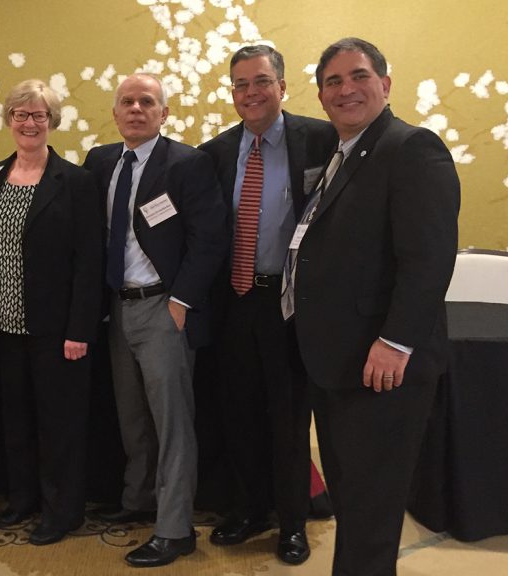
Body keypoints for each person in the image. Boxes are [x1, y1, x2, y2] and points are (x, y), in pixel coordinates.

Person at [289, 38, 459, 576]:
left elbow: (428, 260)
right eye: (333, 82)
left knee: (371, 507)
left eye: (358, 76)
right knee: (356, 503)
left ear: (384, 84)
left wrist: (396, 342)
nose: (346, 89)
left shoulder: (412, 148)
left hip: (382, 366)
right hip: (340, 362)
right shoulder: (340, 155)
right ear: (320, 96)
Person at [198, 45, 337, 565]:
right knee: (238, 414)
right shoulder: (214, 151)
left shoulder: (321, 140)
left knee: (288, 418)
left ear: (282, 86)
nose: (250, 93)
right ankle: (250, 509)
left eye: (260, 81)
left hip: (290, 305)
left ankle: (292, 523)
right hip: (233, 302)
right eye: (240, 84)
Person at [84, 73, 228, 568]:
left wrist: (181, 300)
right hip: (117, 307)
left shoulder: (187, 164)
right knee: (131, 416)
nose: (136, 109)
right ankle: (139, 500)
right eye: (127, 101)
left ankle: (175, 529)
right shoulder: (101, 161)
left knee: (171, 423)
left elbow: (210, 239)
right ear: (115, 112)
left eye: (148, 101)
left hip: (164, 307)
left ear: (164, 113)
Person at [0, 79, 102, 546]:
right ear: (9, 120)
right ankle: (23, 498)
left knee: (58, 426)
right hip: (4, 325)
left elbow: (89, 261)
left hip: (57, 330)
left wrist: (79, 328)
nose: (29, 123)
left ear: (52, 121)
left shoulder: (75, 182)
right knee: (16, 420)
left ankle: (61, 511)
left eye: (39, 115)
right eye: (21, 114)